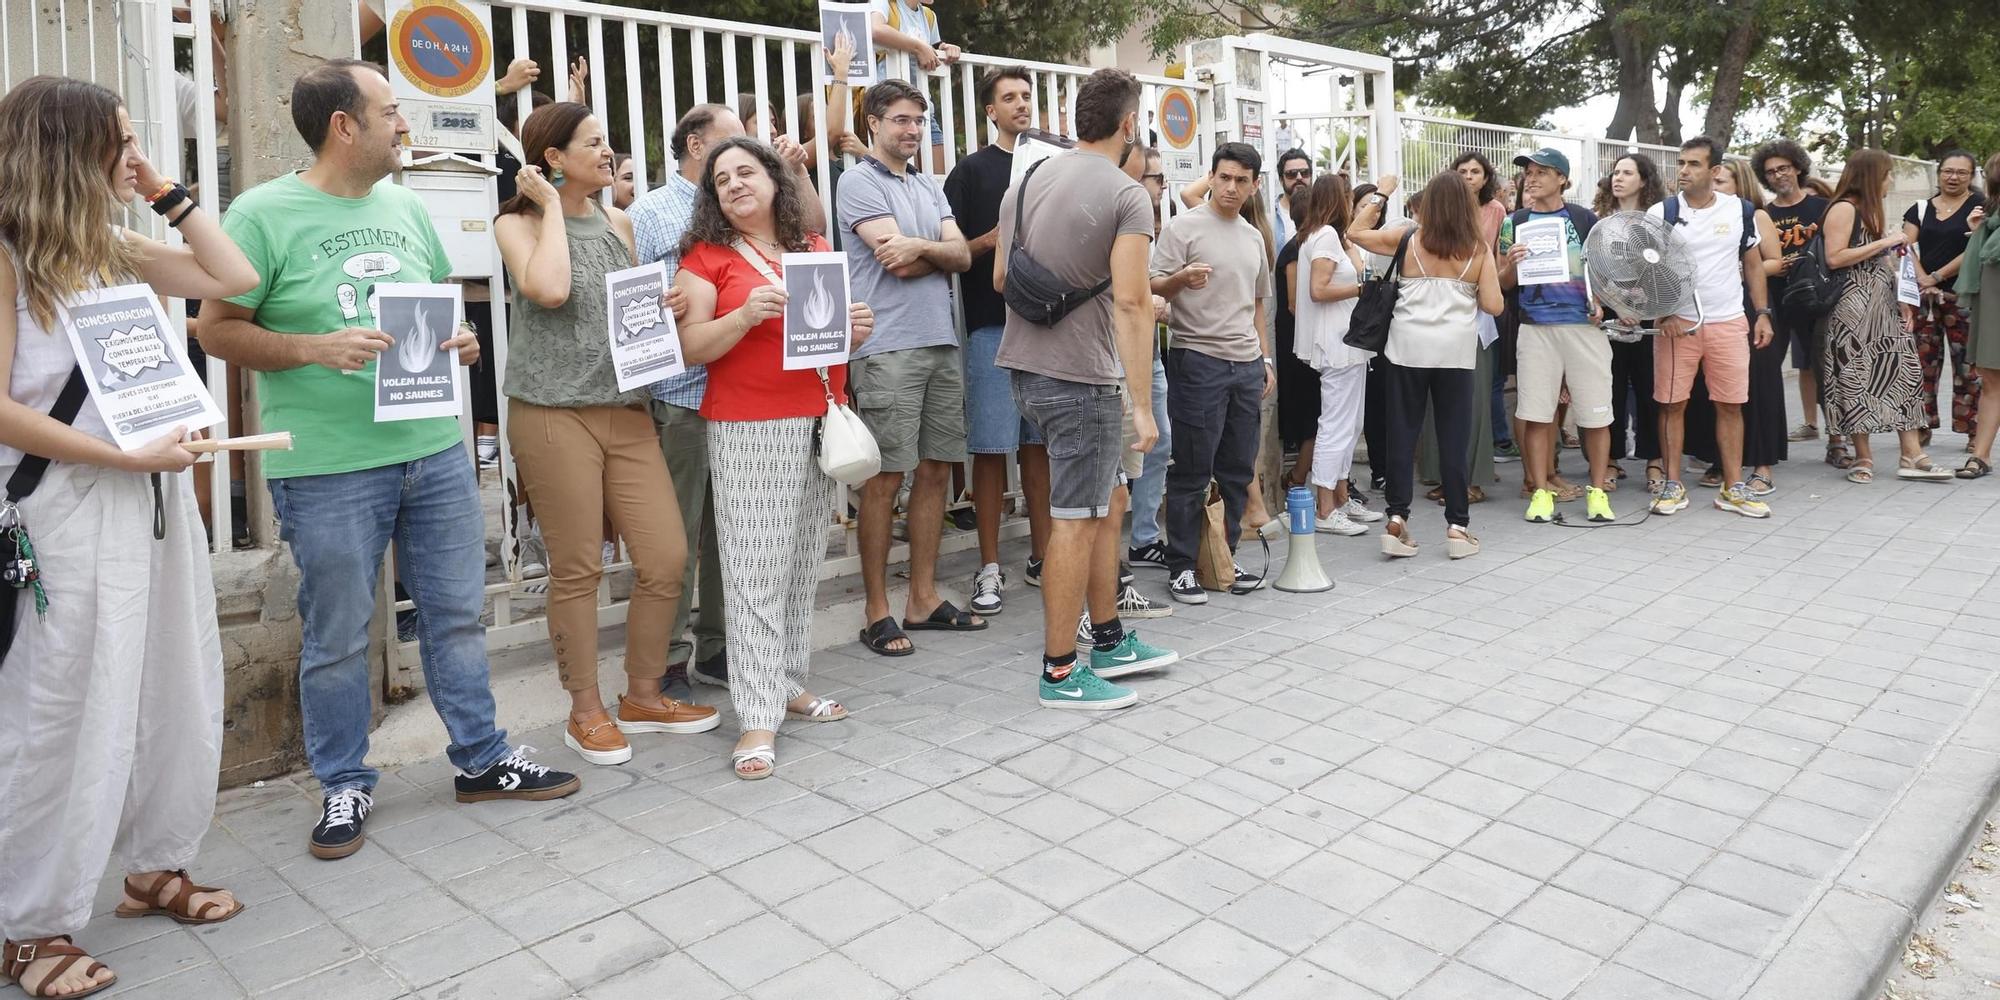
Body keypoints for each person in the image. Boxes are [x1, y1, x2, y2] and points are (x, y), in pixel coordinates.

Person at [201, 60, 579, 860]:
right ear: (344, 126)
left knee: (456, 615)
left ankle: (481, 759)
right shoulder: (260, 213)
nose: (405, 123)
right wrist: (313, 347)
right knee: (339, 632)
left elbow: (438, 303)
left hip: (432, 449)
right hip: (328, 466)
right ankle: (344, 781)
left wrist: (462, 340)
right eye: (391, 111)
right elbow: (217, 329)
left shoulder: (405, 204)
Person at [0, 75, 258, 1000]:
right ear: (70, 149)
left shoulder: (111, 247)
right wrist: (120, 457)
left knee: (170, 682)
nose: (132, 151)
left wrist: (164, 191)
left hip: (150, 495)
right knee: (62, 710)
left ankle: (155, 867)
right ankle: (29, 924)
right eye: (119, 139)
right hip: (67, 505)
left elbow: (234, 279)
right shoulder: (10, 259)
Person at [494, 102, 718, 767]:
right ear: (553, 158)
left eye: (607, 141)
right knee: (578, 568)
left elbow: (624, 313)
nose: (608, 152)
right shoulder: (516, 223)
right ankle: (584, 710)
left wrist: (665, 306)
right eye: (593, 143)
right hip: (552, 410)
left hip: (625, 407)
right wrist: (551, 207)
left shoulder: (621, 221)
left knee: (666, 556)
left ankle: (644, 694)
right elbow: (551, 289)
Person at [673, 137, 873, 777]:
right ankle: (756, 714)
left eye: (745, 172)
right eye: (720, 179)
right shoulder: (706, 256)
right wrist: (742, 318)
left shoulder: (813, 248)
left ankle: (787, 681)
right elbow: (690, 346)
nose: (734, 184)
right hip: (749, 426)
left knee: (801, 562)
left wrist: (853, 332)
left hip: (817, 419)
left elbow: (826, 340)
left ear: (774, 180)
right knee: (755, 568)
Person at [630, 100, 825, 691]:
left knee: (737, 544)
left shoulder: (794, 238)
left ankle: (722, 651)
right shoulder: (651, 213)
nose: (736, 172)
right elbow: (627, 295)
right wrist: (659, 307)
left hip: (760, 402)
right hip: (685, 393)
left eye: (749, 164)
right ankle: (669, 660)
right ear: (697, 146)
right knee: (679, 537)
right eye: (726, 160)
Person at [995, 67, 1174, 710]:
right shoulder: (1128, 195)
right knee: (1075, 520)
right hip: (1082, 378)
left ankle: (1109, 639)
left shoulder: (1027, 181)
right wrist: (1143, 407)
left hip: (1025, 368)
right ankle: (1061, 672)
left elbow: (1001, 278)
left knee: (1107, 500)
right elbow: (1132, 301)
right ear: (1129, 124)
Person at [838, 80, 977, 655]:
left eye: (918, 121)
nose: (912, 130)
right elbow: (894, 263)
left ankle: (922, 599)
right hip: (886, 348)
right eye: (900, 120)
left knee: (938, 472)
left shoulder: (928, 184)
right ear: (873, 123)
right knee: (885, 479)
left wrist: (921, 248)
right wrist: (933, 251)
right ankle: (877, 612)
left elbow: (963, 256)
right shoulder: (858, 182)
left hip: (940, 342)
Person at [944, 66, 1050, 616]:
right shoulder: (970, 171)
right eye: (1009, 97)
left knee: (1040, 449)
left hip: (1048, 327)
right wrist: (994, 238)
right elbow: (952, 250)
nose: (1021, 104)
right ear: (990, 110)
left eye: (1026, 96)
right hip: (991, 326)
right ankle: (989, 567)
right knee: (989, 450)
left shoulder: (1051, 165)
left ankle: (1044, 557)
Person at [1355, 171, 1502, 558]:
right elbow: (1494, 305)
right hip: (1454, 354)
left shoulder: (1406, 240)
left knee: (1402, 436)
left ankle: (1396, 519)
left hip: (1406, 350)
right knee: (1454, 438)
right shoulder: (1477, 249)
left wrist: (1381, 193)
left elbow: (1355, 232)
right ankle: (1457, 527)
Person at [1152, 142, 1274, 604]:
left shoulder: (1253, 236)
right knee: (1192, 469)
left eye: (1241, 180)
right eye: (1224, 177)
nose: (1231, 187)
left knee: (1237, 468)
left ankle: (1223, 558)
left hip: (1245, 364)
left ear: (1254, 185)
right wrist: (1181, 279)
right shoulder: (1183, 227)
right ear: (1211, 176)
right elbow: (1150, 285)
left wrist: (1264, 360)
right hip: (1197, 359)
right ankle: (1182, 565)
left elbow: (1257, 305)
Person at [1646, 136, 1776, 518]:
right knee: (1672, 404)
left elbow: (1753, 264)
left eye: (1694, 164)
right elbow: (1646, 268)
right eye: (1681, 163)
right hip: (1678, 324)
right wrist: (1664, 313)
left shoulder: (1740, 210)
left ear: (1714, 170)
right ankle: (1672, 484)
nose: (1684, 171)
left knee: (1731, 405)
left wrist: (1763, 312)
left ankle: (1733, 488)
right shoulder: (1662, 211)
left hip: (1729, 320)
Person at [1819, 149, 1956, 484]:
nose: (1891, 179)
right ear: (1871, 176)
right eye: (1887, 173)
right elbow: (1835, 257)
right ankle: (1862, 456)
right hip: (1852, 304)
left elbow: (1884, 261)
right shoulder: (1843, 208)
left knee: (1904, 372)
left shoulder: (1872, 210)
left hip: (1882, 302)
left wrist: (1902, 298)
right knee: (1855, 375)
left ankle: (1912, 454)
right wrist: (1885, 242)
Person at [1497, 148, 1613, 524]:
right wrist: (1512, 265)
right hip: (1535, 328)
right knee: (1536, 414)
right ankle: (1540, 491)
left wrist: (1601, 305)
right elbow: (1502, 283)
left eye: (1541, 172)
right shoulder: (1514, 222)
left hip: (1583, 328)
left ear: (1562, 179)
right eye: (1528, 172)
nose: (1531, 178)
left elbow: (1602, 273)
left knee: (1595, 414)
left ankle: (1598, 492)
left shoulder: (1584, 219)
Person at [1296, 172, 1383, 534]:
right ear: (1340, 199)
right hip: (1337, 344)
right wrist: (1361, 291)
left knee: (1351, 423)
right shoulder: (1326, 236)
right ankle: (1325, 508)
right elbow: (1318, 290)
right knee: (1336, 425)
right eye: (1348, 198)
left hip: (1347, 342)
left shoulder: (1326, 235)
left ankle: (1342, 498)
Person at [1752, 140, 1833, 466]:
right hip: (1777, 298)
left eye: (1783, 168)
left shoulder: (1822, 207)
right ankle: (1768, 442)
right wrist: (1774, 264)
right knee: (1767, 368)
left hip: (1816, 298)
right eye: (1771, 172)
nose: (1778, 175)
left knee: (1826, 368)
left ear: (1798, 168)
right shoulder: (1763, 214)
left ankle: (1837, 440)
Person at [1594, 154, 1667, 491]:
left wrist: (1642, 306)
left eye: (1627, 172)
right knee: (1611, 390)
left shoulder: (1657, 222)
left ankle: (1654, 460)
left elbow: (1666, 269)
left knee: (1650, 390)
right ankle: (1610, 459)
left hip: (1650, 316)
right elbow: (1594, 271)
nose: (1618, 178)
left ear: (1644, 180)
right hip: (1610, 316)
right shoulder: (1601, 222)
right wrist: (1618, 305)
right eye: (1615, 172)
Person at [1903, 150, 1988, 442]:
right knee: (1922, 364)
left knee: (1968, 365)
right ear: (1939, 173)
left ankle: (1973, 430)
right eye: (1948, 171)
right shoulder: (1920, 209)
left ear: (1972, 176)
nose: (1953, 177)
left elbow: (1976, 247)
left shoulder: (1981, 206)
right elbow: (1904, 246)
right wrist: (1923, 280)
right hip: (1925, 299)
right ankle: (1922, 426)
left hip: (1965, 296)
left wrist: (1937, 276)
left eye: (1962, 172)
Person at [1718, 159, 1787, 495]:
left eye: (1721, 181)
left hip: (1751, 302)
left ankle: (1763, 463)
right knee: (1723, 388)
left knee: (1759, 383)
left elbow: (1775, 260)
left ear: (1740, 184)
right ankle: (1723, 461)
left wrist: (1741, 268)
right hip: (1717, 305)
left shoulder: (1756, 215)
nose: (1713, 187)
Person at [1124, 147, 1175, 575]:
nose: (1162, 186)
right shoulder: (1119, 216)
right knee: (1116, 458)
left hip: (1151, 353)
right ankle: (1109, 556)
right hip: (1114, 356)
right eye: (1155, 177)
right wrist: (1149, 302)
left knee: (1159, 443)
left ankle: (1143, 539)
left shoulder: (1159, 226)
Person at [1454, 151, 1515, 467]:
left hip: (1486, 298)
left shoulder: (1496, 210)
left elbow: (1499, 255)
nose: (1468, 177)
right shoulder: (1447, 206)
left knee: (1488, 379)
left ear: (1486, 177)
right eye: (1462, 171)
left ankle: (1492, 447)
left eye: (1475, 171)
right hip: (1451, 298)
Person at [869, 0, 959, 171]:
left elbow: (932, 50)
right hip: (889, 109)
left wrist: (945, 48)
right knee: (896, 176)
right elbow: (876, 29)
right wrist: (917, 47)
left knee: (936, 178)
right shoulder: (886, 4)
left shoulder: (929, 16)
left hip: (922, 109)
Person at [1955, 155, 1999, 479]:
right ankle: (1980, 456)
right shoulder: (1990, 216)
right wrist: (1977, 230)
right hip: (1993, 300)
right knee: (1992, 380)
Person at [1273, 149, 1312, 252]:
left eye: (1304, 172)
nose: (1299, 177)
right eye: (1291, 174)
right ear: (1281, 180)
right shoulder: (1269, 215)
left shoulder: (1322, 210)